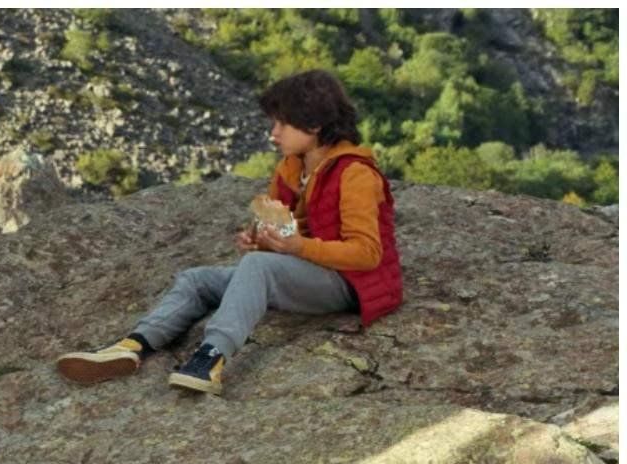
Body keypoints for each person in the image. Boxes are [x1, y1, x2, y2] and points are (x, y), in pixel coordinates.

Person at [56, 69, 403, 394]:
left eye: (283, 123)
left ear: (313, 124)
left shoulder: (355, 174)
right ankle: (133, 345)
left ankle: (210, 359)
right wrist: (262, 241)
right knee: (197, 279)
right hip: (308, 270)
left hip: (350, 284)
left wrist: (296, 247)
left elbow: (366, 253)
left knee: (255, 268)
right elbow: (285, 229)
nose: (274, 133)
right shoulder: (292, 168)